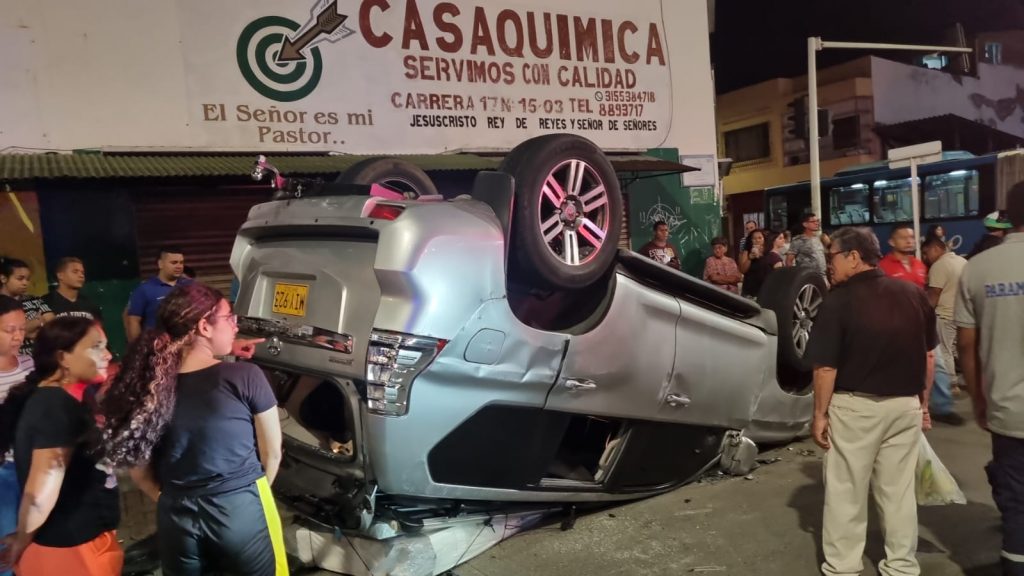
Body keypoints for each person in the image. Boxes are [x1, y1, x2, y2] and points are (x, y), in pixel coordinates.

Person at [101, 283, 286, 575]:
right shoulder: (245, 376)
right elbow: (272, 453)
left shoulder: (147, 384)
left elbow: (138, 470)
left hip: (176, 516)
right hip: (239, 509)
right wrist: (251, 497)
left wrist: (171, 500)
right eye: (229, 317)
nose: (236, 325)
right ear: (204, 326)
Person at [805, 226, 936, 576]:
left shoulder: (838, 301)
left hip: (856, 409)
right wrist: (923, 405)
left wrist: (819, 414)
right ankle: (901, 566)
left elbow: (825, 367)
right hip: (905, 407)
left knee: (847, 492)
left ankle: (844, 567)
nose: (828, 264)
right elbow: (928, 356)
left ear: (853, 257)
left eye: (832, 256)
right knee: (898, 493)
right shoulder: (912, 294)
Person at [0, 317, 121, 575]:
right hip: (70, 553)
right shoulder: (54, 406)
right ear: (63, 357)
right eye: (97, 346)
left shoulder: (62, 398)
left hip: (78, 545)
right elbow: (40, 494)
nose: (108, 354)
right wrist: (22, 541)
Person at [955, 183, 1024, 575]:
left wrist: (979, 399)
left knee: (1017, 502)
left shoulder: (978, 268)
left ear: (1008, 217)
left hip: (1007, 409)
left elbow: (967, 346)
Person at [0, 297, 32, 576]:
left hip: (34, 466)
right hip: (5, 474)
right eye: (9, 329)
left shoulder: (29, 365)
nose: (18, 336)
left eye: (21, 328)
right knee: (8, 545)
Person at [922, 236, 968, 405]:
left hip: (945, 314)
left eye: (926, 253)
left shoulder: (939, 266)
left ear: (935, 248)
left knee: (945, 350)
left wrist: (923, 312)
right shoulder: (962, 261)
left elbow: (934, 294)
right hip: (962, 314)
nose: (926, 257)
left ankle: (952, 383)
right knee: (957, 349)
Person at [125, 247, 190, 343]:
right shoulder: (144, 289)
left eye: (181, 263)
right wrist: (137, 349)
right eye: (174, 263)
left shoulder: (190, 286)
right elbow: (133, 320)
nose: (179, 266)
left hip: (185, 347)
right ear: (160, 264)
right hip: (156, 348)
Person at [0, 258, 53, 356]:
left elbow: (52, 322)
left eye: (27, 279)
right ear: (3, 278)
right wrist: (38, 321)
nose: (25, 283)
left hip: (41, 356)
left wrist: (26, 328)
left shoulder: (34, 299)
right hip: (11, 360)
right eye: (20, 278)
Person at [738, 229, 782, 299]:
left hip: (766, 292)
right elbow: (742, 270)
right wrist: (749, 258)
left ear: (764, 239)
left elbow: (779, 276)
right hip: (749, 292)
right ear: (751, 240)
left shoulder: (772, 255)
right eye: (754, 238)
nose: (757, 240)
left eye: (760, 238)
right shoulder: (747, 253)